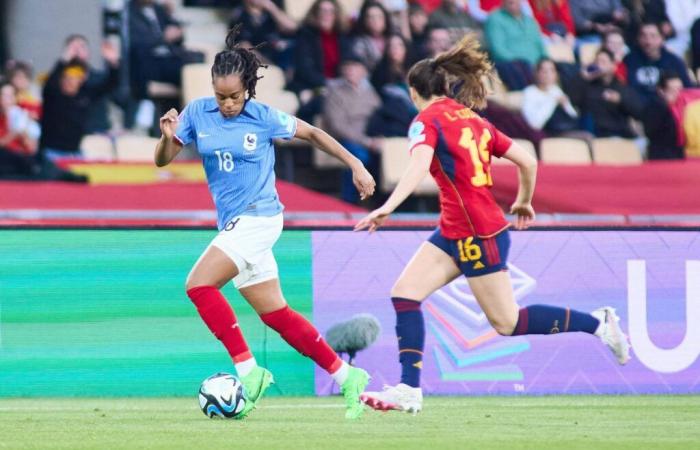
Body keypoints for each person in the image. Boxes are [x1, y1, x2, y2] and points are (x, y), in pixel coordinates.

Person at [355, 34, 631, 413]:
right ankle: (409, 389)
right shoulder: (474, 120)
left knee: (507, 323)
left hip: (477, 233)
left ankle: (598, 323)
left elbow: (418, 166)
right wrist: (523, 200)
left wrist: (387, 207)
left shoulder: (425, 119)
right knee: (405, 294)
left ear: (415, 90)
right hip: (457, 228)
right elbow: (528, 160)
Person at [155, 27, 376, 420]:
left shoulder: (262, 117)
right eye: (221, 96)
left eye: (234, 97)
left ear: (248, 90)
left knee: (198, 285)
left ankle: (248, 370)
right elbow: (162, 160)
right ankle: (347, 376)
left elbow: (312, 132)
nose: (227, 104)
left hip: (260, 217)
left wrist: (356, 163)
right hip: (234, 224)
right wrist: (166, 138)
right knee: (276, 315)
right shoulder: (196, 113)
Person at [40, 41, 120, 161]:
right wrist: (64, 60)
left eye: (75, 77)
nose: (70, 81)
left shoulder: (85, 94)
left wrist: (113, 63)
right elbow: (49, 85)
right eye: (67, 77)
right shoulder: (53, 94)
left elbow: (110, 85)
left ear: (82, 79)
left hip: (75, 153)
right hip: (52, 153)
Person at [323, 54, 382, 203]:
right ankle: (349, 200)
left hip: (370, 137)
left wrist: (378, 138)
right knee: (359, 157)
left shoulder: (370, 92)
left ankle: (379, 202)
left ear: (364, 71)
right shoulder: (335, 92)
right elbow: (337, 125)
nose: (350, 70)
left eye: (354, 67)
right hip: (344, 139)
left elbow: (380, 115)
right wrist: (365, 141)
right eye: (347, 67)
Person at [289, 0, 348, 121]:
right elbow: (304, 69)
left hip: (337, 85)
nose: (326, 15)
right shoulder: (306, 35)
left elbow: (348, 64)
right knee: (323, 102)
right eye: (322, 11)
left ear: (336, 15)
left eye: (331, 11)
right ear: (315, 14)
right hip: (311, 85)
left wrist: (339, 84)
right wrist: (328, 84)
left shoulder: (343, 37)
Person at [572, 49, 644, 138]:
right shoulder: (586, 85)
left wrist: (620, 100)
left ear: (613, 65)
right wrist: (582, 78)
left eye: (603, 62)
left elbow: (638, 112)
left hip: (620, 134)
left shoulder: (621, 87)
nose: (599, 65)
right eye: (597, 61)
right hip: (594, 134)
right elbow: (573, 101)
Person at [485, 0, 548, 90]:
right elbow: (498, 49)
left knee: (565, 69)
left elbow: (540, 44)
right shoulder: (495, 18)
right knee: (520, 67)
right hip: (513, 65)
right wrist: (521, 61)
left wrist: (546, 60)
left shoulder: (529, 20)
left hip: (536, 65)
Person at [522, 58, 590, 140]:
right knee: (586, 137)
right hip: (547, 133)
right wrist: (552, 101)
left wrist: (565, 105)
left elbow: (573, 117)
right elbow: (535, 124)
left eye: (552, 71)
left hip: (565, 129)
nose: (548, 75)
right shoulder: (530, 92)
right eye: (544, 71)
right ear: (537, 73)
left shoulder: (555, 90)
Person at [624, 21, 692, 101]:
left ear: (661, 38)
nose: (648, 41)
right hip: (636, 105)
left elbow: (688, 88)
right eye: (643, 36)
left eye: (653, 36)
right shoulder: (629, 60)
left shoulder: (674, 61)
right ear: (638, 39)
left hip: (668, 105)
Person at [227, 0, 297, 68]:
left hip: (279, 54)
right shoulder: (239, 15)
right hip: (261, 61)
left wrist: (271, 7)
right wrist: (271, 66)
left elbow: (293, 28)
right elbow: (243, 46)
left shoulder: (271, 10)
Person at [350, 1, 394, 72]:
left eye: (379, 16)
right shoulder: (360, 43)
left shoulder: (393, 38)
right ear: (365, 20)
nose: (375, 21)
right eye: (371, 17)